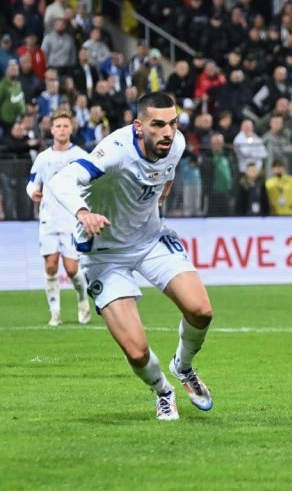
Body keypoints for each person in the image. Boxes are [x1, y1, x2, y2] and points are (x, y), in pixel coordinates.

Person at [47, 92, 214, 421]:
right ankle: (163, 391)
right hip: (105, 255)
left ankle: (183, 367)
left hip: (151, 240)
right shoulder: (115, 151)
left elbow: (164, 177)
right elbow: (62, 180)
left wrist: (161, 191)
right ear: (138, 126)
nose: (168, 132)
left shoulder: (176, 144)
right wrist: (83, 213)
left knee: (201, 311)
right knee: (136, 351)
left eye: (173, 123)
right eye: (158, 124)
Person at [26, 110, 91, 326]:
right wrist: (32, 192)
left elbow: (91, 183)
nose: (62, 129)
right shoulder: (44, 157)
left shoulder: (81, 156)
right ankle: (55, 314)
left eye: (65, 125)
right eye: (58, 126)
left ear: (71, 128)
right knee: (51, 266)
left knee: (72, 269)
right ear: (51, 129)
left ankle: (83, 299)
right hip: (49, 218)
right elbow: (32, 182)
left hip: (72, 218)